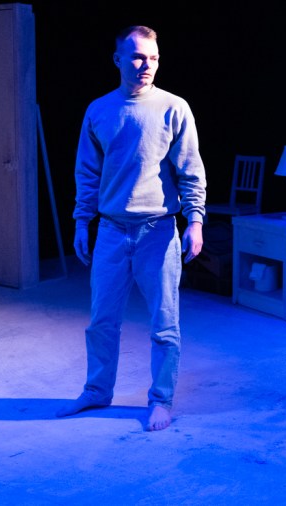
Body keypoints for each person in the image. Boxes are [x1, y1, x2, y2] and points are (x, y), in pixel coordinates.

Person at [57, 25, 207, 432]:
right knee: (101, 322)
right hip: (111, 230)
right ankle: (96, 390)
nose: (146, 65)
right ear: (118, 59)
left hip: (157, 231)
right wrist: (81, 221)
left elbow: (191, 170)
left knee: (164, 324)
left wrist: (195, 220)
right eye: (138, 56)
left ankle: (161, 400)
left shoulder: (174, 107)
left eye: (153, 58)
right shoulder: (99, 110)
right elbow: (87, 172)